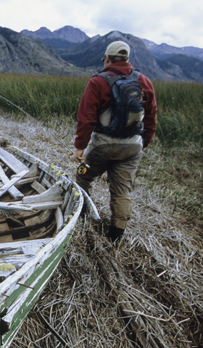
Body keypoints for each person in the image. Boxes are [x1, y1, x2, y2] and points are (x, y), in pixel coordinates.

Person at [73, 40, 157, 243]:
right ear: (127, 59)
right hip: (133, 147)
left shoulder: (98, 82)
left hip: (103, 146)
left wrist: (80, 147)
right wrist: (144, 144)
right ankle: (116, 235)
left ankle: (83, 215)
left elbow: (87, 118)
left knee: (83, 175)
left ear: (107, 58)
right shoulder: (144, 81)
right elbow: (152, 117)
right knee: (122, 190)